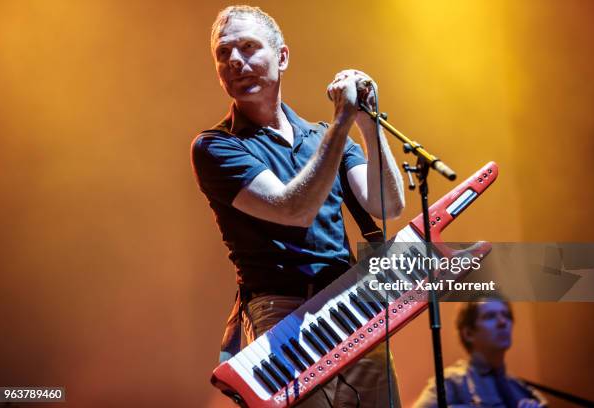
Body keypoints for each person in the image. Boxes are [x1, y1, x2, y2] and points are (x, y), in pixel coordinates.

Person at [191, 5, 405, 407]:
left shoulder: (322, 136)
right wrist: (342, 123)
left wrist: (366, 121)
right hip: (280, 313)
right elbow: (293, 210)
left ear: (282, 57)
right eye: (224, 54)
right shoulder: (216, 146)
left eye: (249, 47)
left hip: (350, 304)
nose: (236, 61)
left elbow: (388, 205)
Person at [413, 298, 547, 408]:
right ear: (468, 333)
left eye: (506, 315)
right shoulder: (450, 382)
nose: (502, 322)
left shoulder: (521, 389)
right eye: (490, 316)